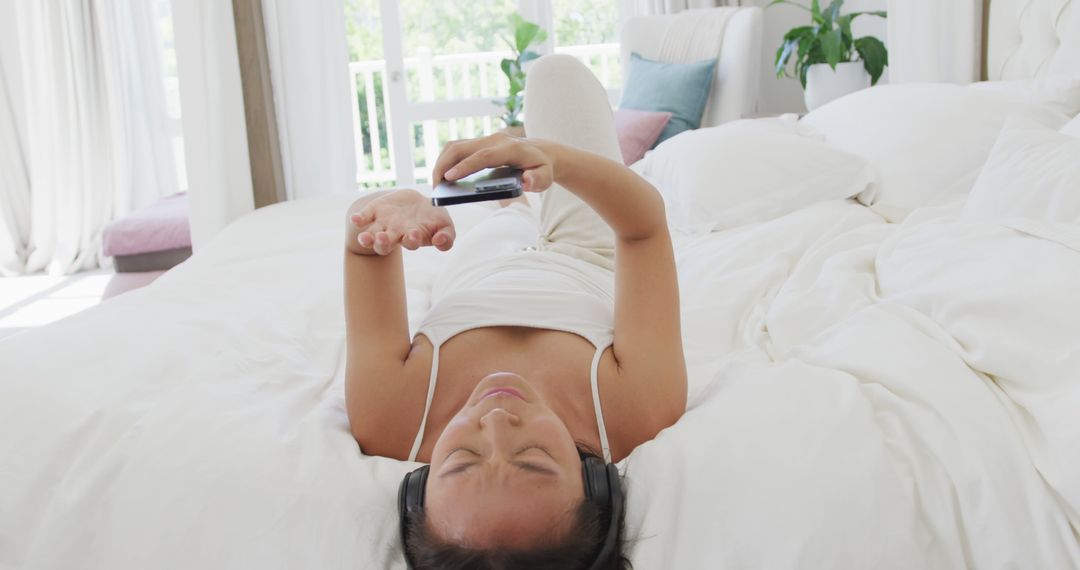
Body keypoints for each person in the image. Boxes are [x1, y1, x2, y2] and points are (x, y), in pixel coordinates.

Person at [343, 54, 687, 569]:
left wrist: (386, 215)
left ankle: (513, 196)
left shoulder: (388, 417)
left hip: (481, 259)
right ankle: (529, 172)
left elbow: (362, 246)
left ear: (419, 487)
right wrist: (550, 157)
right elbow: (644, 229)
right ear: (595, 484)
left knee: (498, 205)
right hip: (586, 249)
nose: (498, 421)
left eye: (461, 459)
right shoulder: (636, 411)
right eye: (533, 459)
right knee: (555, 75)